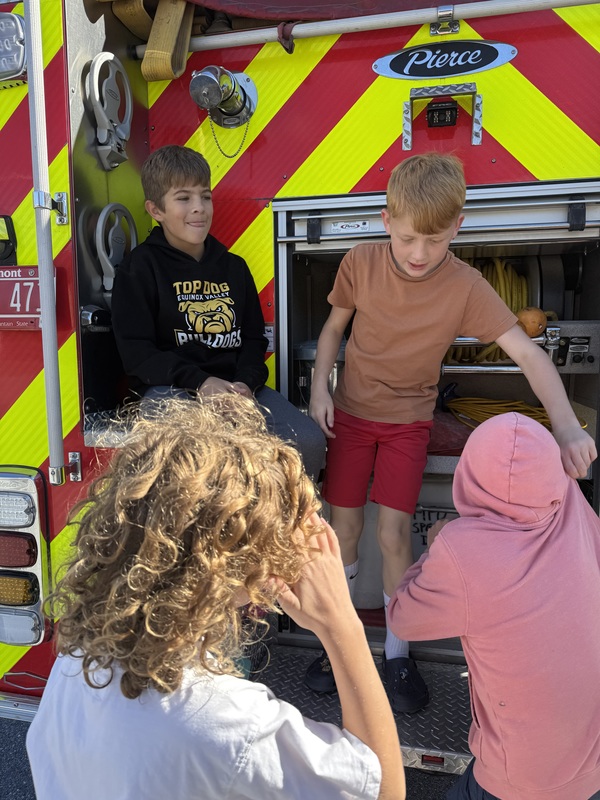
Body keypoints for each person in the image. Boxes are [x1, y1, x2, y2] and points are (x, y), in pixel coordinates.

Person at [306, 152, 597, 711]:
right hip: (352, 416)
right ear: (387, 219)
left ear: (457, 227)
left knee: (393, 536)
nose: (420, 254)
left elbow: (529, 356)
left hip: (408, 426)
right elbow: (332, 330)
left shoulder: (465, 286)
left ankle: (396, 654)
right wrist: (321, 388)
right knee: (341, 532)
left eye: (435, 241)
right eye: (409, 237)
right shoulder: (361, 262)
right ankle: (338, 647)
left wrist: (565, 426)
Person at [26, 395, 405, 800]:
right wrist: (342, 625)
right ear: (231, 561)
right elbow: (382, 789)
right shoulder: (228, 726)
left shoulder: (77, 660)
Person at [387, 412, 600, 800]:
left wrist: (437, 545)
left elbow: (403, 618)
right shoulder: (577, 513)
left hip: (521, 778)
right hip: (591, 759)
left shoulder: (461, 549)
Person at [111, 144, 325, 481]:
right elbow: (137, 353)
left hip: (238, 389)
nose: (199, 209)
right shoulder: (140, 268)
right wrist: (202, 383)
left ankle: (285, 531)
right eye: (184, 198)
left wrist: (244, 384)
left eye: (205, 197)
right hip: (173, 391)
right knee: (200, 462)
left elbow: (254, 340)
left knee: (308, 442)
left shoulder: (234, 268)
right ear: (156, 210)